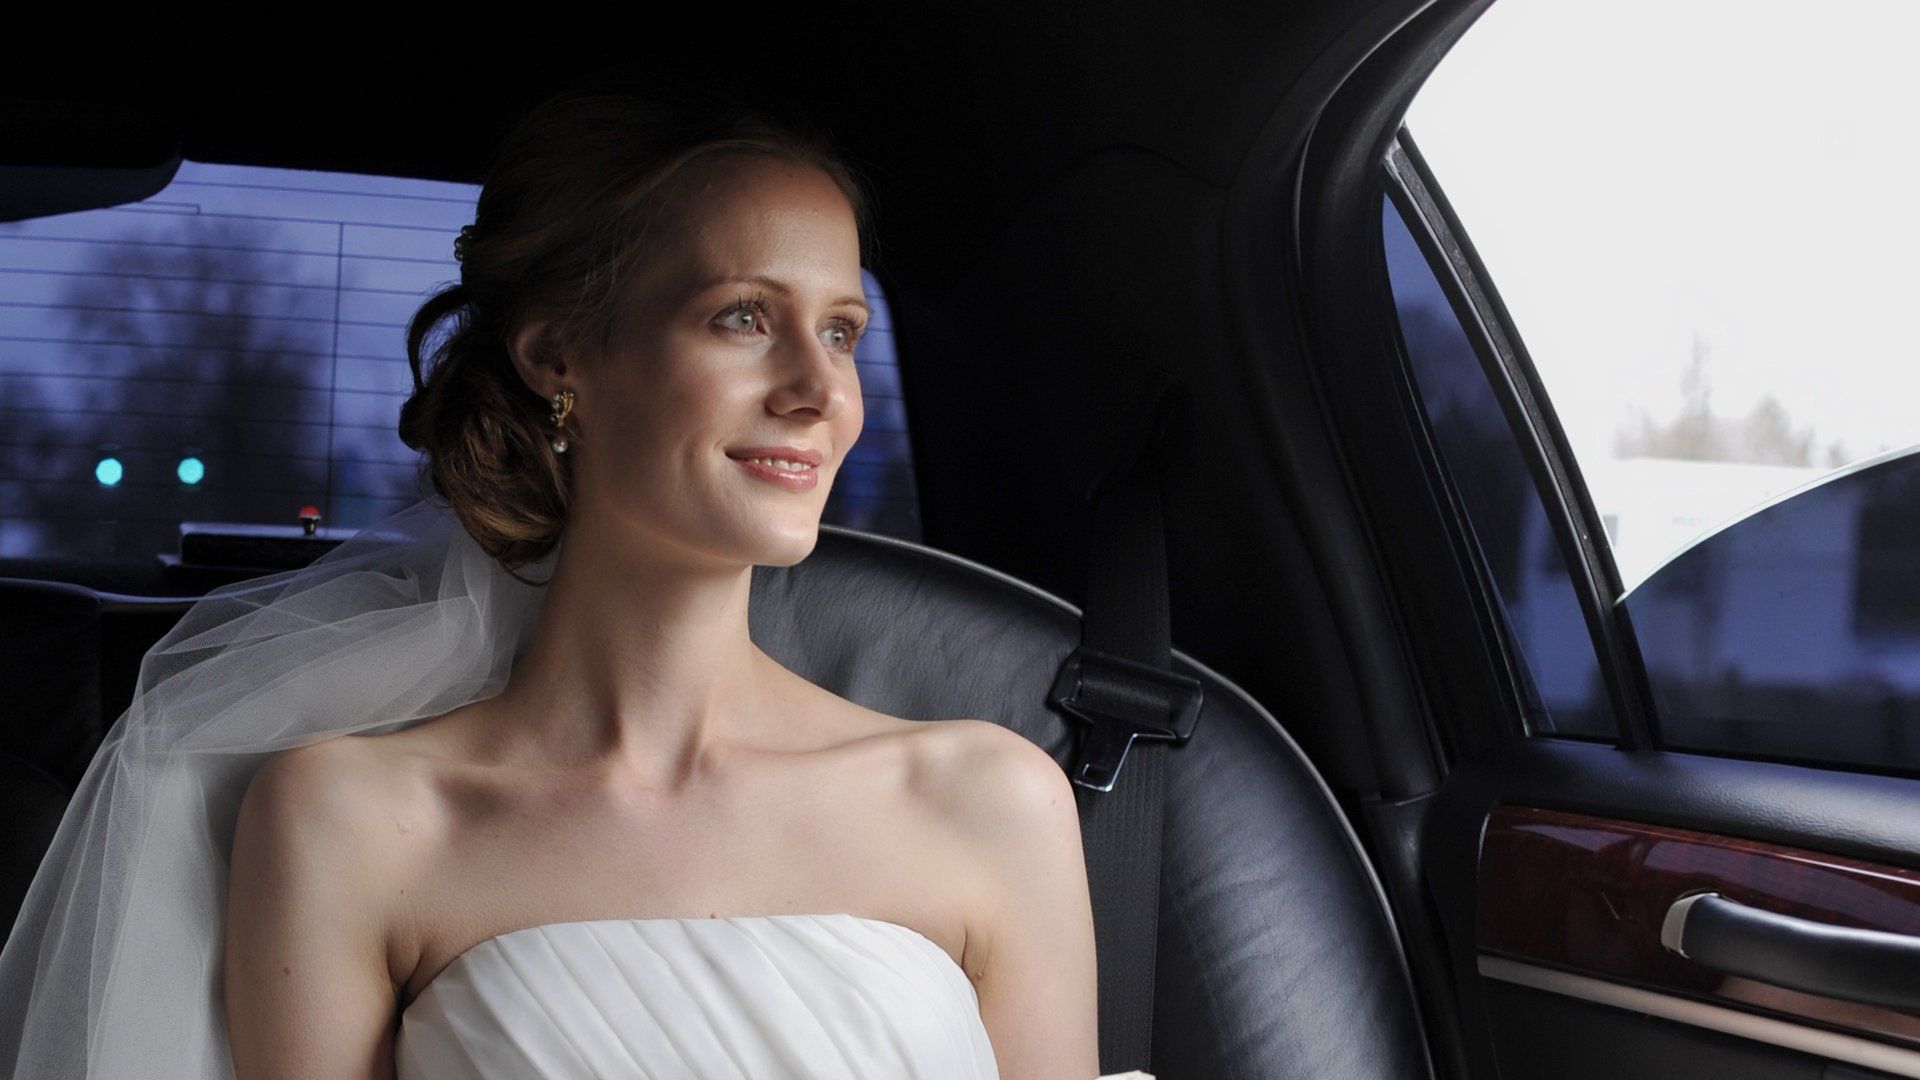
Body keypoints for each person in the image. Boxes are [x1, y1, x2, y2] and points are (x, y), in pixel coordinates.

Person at [0, 84, 1107, 1078]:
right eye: (743, 318)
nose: (821, 392)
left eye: (843, 331)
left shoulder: (991, 804)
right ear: (558, 357)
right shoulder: (351, 823)